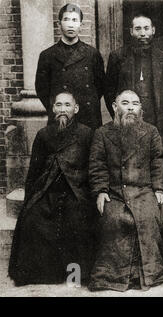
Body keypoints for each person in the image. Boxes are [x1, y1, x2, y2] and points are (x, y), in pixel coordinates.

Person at [8, 92, 96, 286]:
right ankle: (41, 274)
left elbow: (92, 169)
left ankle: (76, 274)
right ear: (53, 109)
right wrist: (30, 200)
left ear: (76, 109)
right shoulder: (44, 134)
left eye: (67, 105)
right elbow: (34, 171)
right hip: (48, 190)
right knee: (32, 218)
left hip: (75, 190)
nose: (63, 109)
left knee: (77, 218)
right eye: (59, 105)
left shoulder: (86, 133)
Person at [88, 90, 163, 291]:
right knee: (113, 219)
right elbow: (97, 165)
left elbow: (157, 163)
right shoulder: (103, 133)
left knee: (147, 218)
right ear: (115, 107)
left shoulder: (151, 132)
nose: (131, 107)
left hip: (143, 190)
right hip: (114, 192)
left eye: (135, 103)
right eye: (125, 103)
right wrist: (100, 190)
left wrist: (159, 189)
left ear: (141, 109)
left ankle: (146, 274)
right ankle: (113, 277)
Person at [104, 14, 163, 148]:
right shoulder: (117, 57)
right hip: (127, 119)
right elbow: (109, 91)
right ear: (131, 31)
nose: (142, 33)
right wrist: (119, 116)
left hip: (155, 121)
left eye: (146, 28)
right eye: (138, 29)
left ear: (153, 30)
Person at [35, 3, 105, 130]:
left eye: (75, 20)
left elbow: (99, 87)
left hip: (88, 116)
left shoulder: (92, 53)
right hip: (61, 115)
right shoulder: (47, 55)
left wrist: (87, 102)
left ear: (81, 25)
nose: (71, 24)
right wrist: (58, 108)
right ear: (59, 24)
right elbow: (41, 89)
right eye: (66, 19)